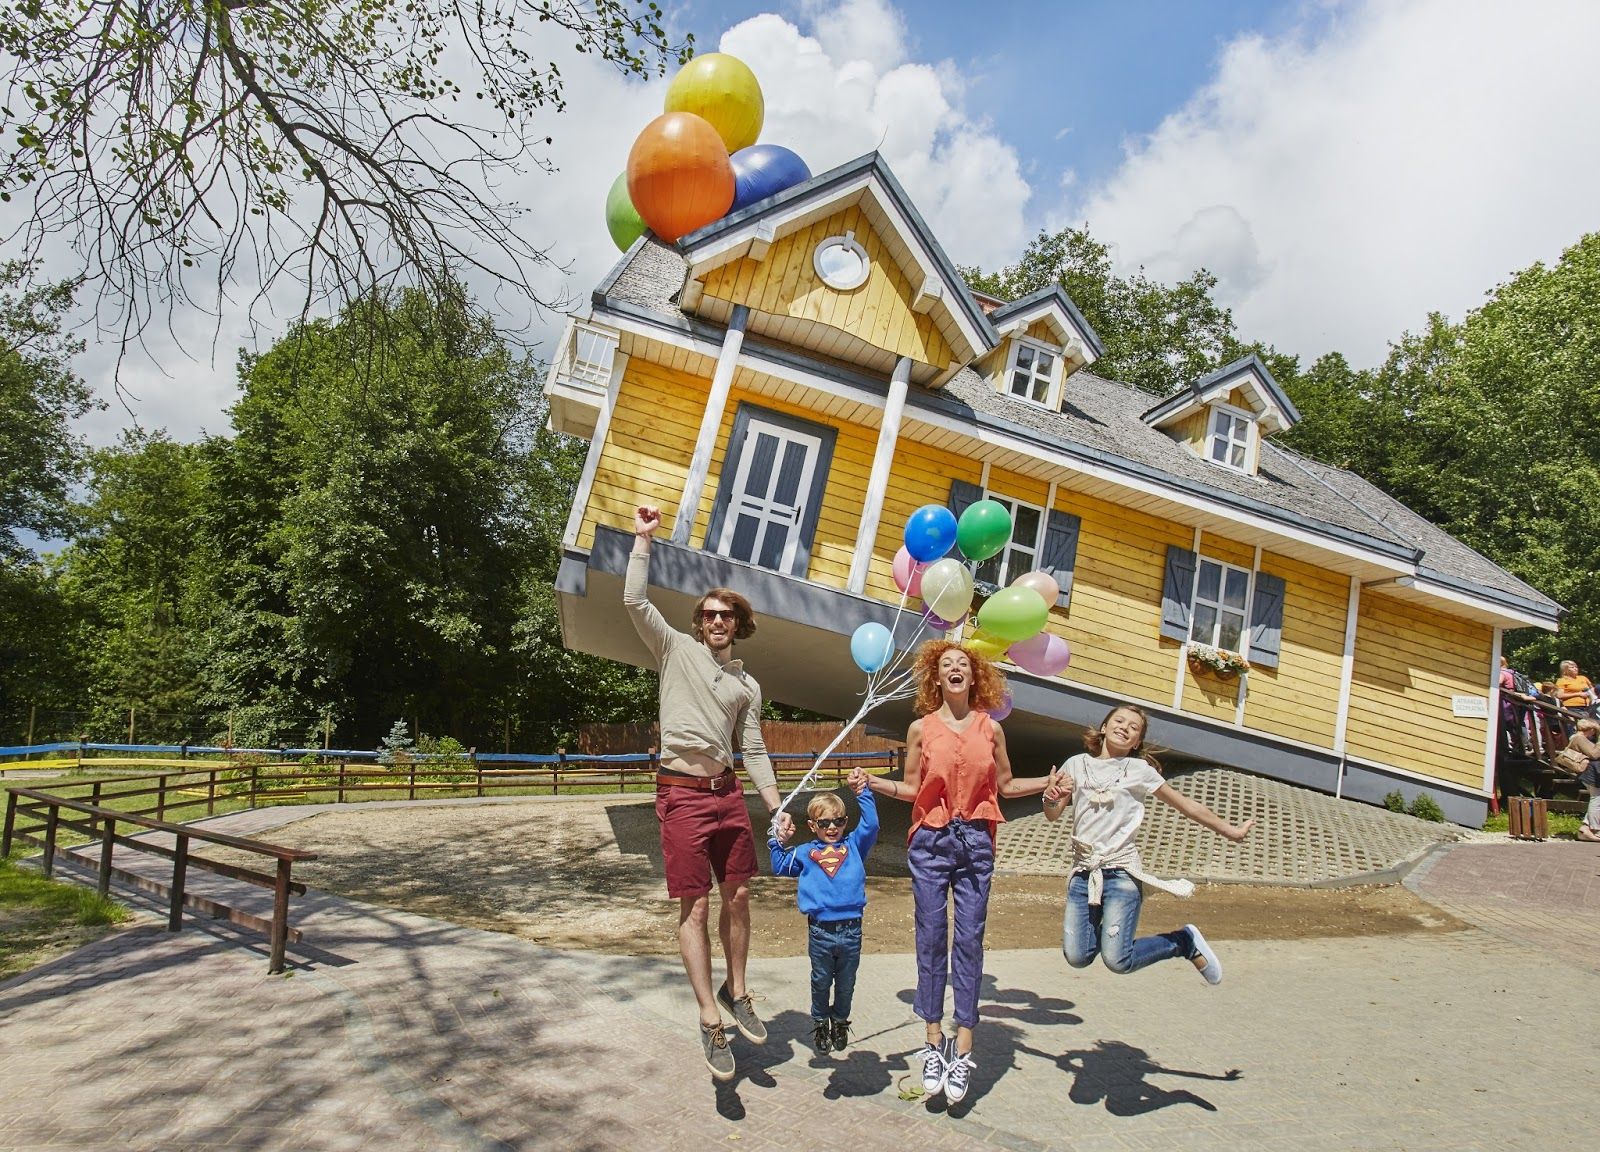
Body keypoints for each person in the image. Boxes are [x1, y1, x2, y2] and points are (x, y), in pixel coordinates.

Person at [626, 503, 793, 1082]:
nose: (717, 620)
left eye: (727, 615)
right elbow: (635, 602)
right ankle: (708, 1017)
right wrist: (644, 540)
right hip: (681, 795)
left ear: (738, 624)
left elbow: (755, 748)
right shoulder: (674, 648)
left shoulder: (747, 685)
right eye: (709, 614)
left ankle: (736, 990)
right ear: (698, 622)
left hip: (728, 796)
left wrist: (775, 806)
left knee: (739, 895)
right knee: (694, 905)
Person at [858, 638, 1052, 1105]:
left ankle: (963, 1045)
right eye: (947, 664)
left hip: (976, 842)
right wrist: (873, 782)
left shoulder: (991, 729)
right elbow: (912, 788)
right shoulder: (921, 729)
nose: (955, 668)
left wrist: (1050, 780)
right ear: (937, 678)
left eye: (962, 663)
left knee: (968, 941)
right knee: (930, 938)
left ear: (974, 675)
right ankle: (933, 1041)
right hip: (930, 840)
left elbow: (1006, 785)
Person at [1043, 703, 1255, 985]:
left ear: (1137, 742)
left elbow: (1186, 805)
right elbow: (1053, 814)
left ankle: (1183, 941)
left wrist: (1231, 832)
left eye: (1133, 728)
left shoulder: (1140, 770)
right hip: (1084, 874)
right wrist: (1051, 796)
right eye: (1119, 721)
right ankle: (1119, 936)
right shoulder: (1075, 764)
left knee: (1118, 960)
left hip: (1121, 873)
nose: (1124, 728)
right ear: (1104, 727)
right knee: (1077, 956)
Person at [768, 778, 879, 1055]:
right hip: (820, 931)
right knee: (820, 981)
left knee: (846, 983)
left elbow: (872, 825)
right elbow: (780, 866)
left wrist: (863, 793)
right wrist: (777, 840)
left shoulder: (854, 846)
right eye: (824, 823)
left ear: (845, 822)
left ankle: (839, 1021)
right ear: (812, 826)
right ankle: (819, 1022)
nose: (832, 827)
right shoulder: (805, 852)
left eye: (838, 821)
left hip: (851, 930)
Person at [1563, 718, 1600, 843]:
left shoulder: (1579, 738)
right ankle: (1594, 829)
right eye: (1594, 731)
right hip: (1590, 772)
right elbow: (1594, 754)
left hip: (1591, 772)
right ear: (1590, 729)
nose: (1594, 733)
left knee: (1597, 799)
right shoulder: (1579, 738)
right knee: (1596, 799)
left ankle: (1585, 828)